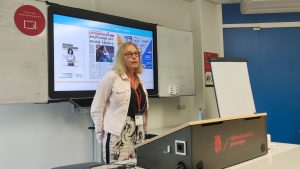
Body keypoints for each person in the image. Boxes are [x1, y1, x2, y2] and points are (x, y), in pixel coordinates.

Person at [91, 42, 148, 164]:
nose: (134, 56)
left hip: (137, 136)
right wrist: (101, 135)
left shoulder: (140, 80)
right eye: (129, 54)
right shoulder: (112, 77)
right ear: (121, 58)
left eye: (136, 53)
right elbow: (97, 108)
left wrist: (144, 129)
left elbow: (143, 108)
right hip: (117, 137)